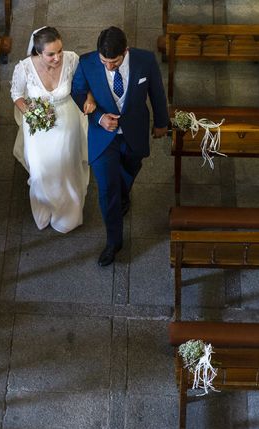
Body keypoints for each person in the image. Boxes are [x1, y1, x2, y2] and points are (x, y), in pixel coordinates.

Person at [71, 26, 169, 266]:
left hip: (134, 131)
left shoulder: (145, 60)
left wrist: (161, 122)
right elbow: (78, 90)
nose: (108, 66)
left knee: (130, 168)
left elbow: (157, 92)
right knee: (107, 190)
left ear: (125, 51)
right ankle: (113, 242)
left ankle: (123, 194)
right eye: (104, 61)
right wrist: (98, 118)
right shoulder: (87, 62)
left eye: (113, 62)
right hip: (103, 137)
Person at [11, 27, 93, 233]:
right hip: (38, 125)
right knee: (40, 171)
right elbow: (17, 94)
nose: (57, 58)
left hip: (67, 119)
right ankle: (44, 204)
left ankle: (68, 212)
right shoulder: (24, 68)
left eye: (60, 51)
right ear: (38, 52)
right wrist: (30, 112)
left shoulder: (72, 59)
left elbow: (88, 82)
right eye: (50, 54)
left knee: (66, 165)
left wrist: (90, 99)